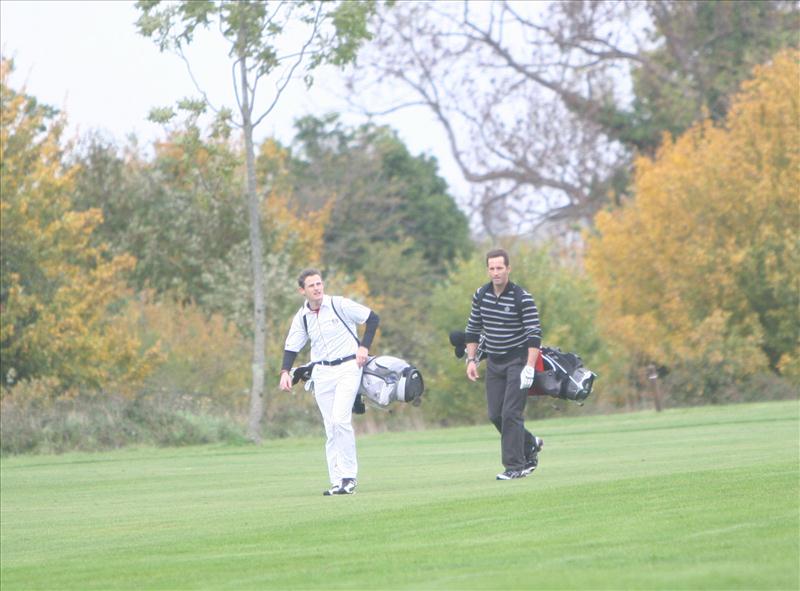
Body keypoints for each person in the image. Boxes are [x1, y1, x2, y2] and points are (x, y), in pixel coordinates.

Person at [279, 269, 379, 496]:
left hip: (348, 367)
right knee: (330, 426)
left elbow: (372, 318)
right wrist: (285, 371)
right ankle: (337, 481)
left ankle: (349, 478)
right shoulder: (302, 316)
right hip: (322, 372)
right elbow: (292, 346)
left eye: (319, 283)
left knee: (340, 420)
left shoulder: (338, 304)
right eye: (311, 285)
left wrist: (363, 347)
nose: (317, 288)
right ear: (302, 291)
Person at [464, 248, 544, 480]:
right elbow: (473, 329)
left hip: (518, 361)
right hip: (494, 362)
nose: (496, 272)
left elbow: (533, 334)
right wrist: (471, 360)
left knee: (511, 413)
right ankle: (530, 442)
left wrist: (530, 366)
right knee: (495, 414)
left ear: (508, 269)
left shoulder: (522, 297)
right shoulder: (481, 295)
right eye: (492, 268)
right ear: (487, 270)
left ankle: (516, 466)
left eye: (500, 268)